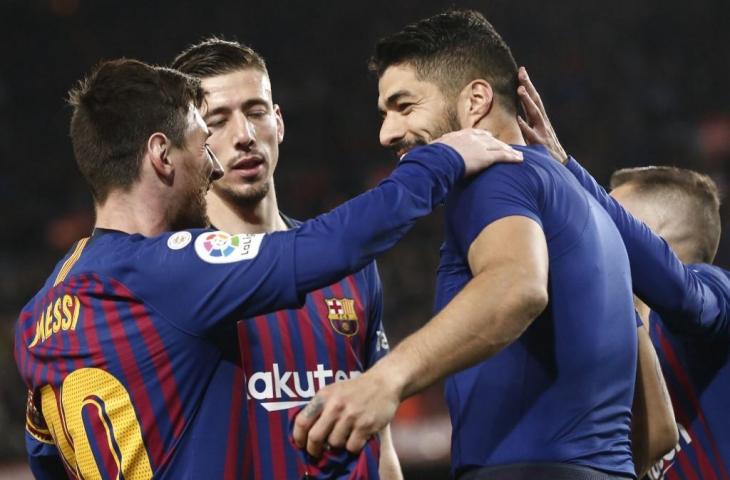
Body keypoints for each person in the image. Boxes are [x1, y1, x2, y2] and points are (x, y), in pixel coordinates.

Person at [16, 58, 521, 479]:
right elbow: (328, 246)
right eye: (203, 140)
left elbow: (47, 461)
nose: (213, 163)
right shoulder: (168, 273)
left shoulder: (40, 314)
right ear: (161, 156)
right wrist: (439, 162)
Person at [295, 10, 644, 480]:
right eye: (384, 113)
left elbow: (518, 284)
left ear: (476, 100)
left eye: (404, 106)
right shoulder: (582, 201)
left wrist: (385, 379)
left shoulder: (492, 177)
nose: (387, 133)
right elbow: (655, 429)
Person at [170, 38, 399, 479]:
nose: (244, 136)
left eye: (256, 112)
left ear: (278, 121)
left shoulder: (349, 269)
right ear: (191, 143)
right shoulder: (176, 279)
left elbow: (381, 441)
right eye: (217, 121)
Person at [516, 67, 730, 480]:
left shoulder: (716, 299)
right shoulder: (613, 333)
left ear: (654, 240)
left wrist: (567, 169)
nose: (596, 228)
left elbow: (683, 294)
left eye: (613, 219)